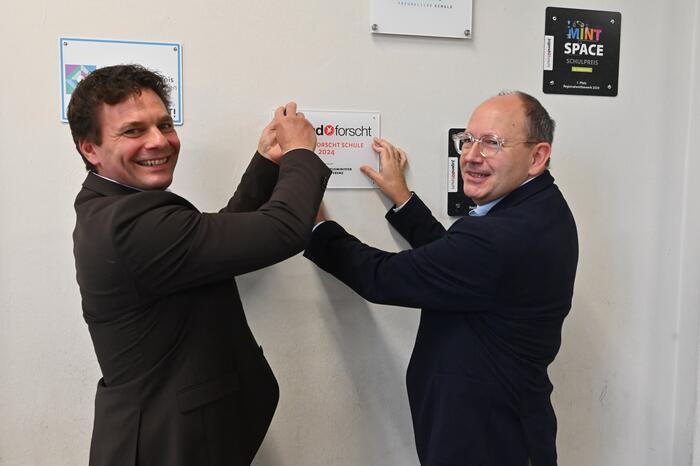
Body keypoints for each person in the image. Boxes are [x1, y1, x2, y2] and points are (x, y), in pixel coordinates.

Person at [68, 64, 331, 466]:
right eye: (133, 131)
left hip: (175, 434)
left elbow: (208, 246)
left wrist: (267, 162)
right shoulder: (129, 225)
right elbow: (284, 230)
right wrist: (300, 153)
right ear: (90, 149)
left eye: (164, 125)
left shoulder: (109, 206)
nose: (159, 141)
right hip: (164, 444)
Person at [305, 91, 578, 466]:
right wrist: (404, 200)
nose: (471, 155)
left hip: (484, 443)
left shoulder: (501, 237)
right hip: (509, 430)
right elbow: (456, 264)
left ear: (537, 157)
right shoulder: (542, 207)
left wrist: (316, 224)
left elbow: (381, 277)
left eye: (492, 143)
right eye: (468, 140)